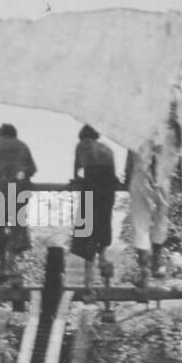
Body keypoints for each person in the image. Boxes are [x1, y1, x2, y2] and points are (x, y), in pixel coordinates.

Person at [125, 109, 182, 288]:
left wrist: (128, 181)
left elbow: (128, 164)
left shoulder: (135, 131)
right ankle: (157, 263)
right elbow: (179, 160)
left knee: (140, 223)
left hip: (141, 178)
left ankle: (145, 272)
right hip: (162, 180)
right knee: (161, 220)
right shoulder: (174, 131)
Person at [0, 123, 36, 283]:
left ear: (0, 134)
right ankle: (10, 263)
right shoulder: (23, 146)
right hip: (18, 190)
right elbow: (33, 169)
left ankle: (1, 263)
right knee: (18, 227)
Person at [70, 124, 117, 292]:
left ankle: (88, 283)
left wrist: (76, 180)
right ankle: (103, 258)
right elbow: (113, 172)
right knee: (104, 223)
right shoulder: (107, 148)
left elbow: (77, 171)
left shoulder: (82, 145)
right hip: (109, 184)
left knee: (87, 230)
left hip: (92, 182)